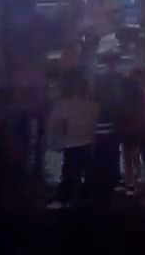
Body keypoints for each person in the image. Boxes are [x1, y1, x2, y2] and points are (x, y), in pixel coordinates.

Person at [46, 75, 99, 209]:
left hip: (70, 143)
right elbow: (94, 127)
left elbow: (52, 123)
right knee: (88, 173)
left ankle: (64, 199)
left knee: (68, 173)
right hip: (87, 143)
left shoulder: (64, 105)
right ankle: (87, 198)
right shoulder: (93, 106)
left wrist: (54, 138)